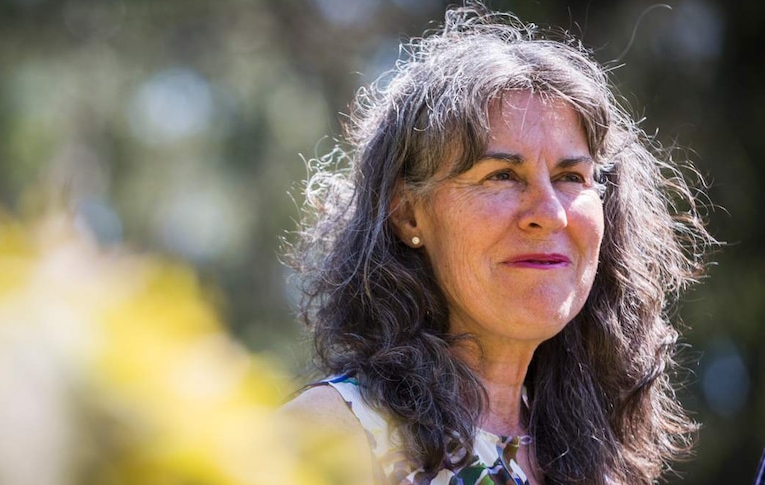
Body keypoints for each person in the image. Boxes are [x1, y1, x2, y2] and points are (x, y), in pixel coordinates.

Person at [283, 2, 713, 484]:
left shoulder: (602, 465)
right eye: (503, 175)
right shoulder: (329, 437)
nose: (548, 213)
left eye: (571, 176)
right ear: (407, 214)